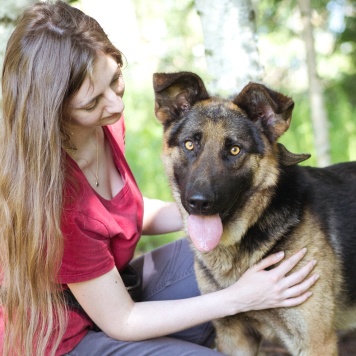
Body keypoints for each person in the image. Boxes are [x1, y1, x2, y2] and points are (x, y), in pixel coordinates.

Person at [0, 1, 319, 355]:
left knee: (240, 254)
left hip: (120, 288)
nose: (116, 106)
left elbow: (119, 214)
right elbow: (121, 320)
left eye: (116, 78)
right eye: (92, 103)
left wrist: (211, 207)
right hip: (69, 339)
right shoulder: (58, 200)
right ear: (54, 111)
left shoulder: (103, 124)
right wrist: (239, 297)